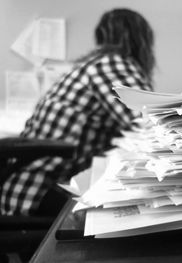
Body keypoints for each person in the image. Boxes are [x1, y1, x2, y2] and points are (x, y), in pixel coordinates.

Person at [1, 8, 155, 216]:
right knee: (141, 214)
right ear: (142, 40)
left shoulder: (89, 67)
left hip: (24, 187)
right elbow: (148, 124)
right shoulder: (112, 64)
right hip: (39, 192)